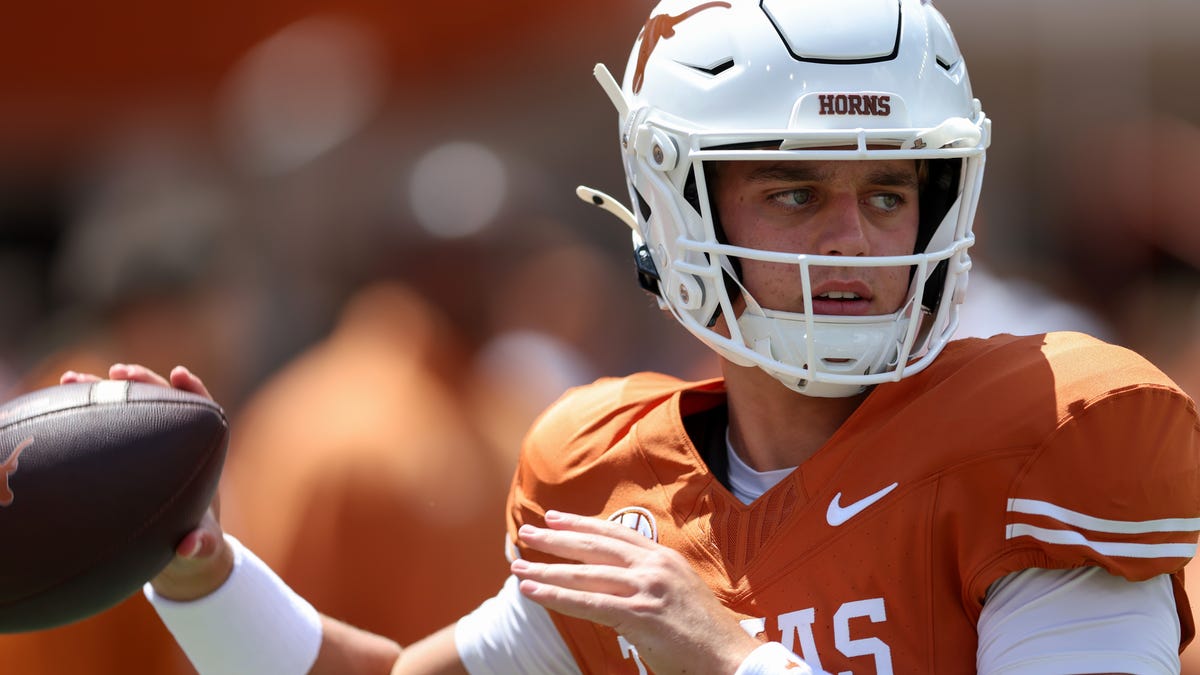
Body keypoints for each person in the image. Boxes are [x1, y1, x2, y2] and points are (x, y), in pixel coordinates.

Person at [63, 1, 1200, 673]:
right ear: (678, 207)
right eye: (796, 195)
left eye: (891, 193)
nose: (856, 241)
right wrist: (202, 571)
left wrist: (728, 656)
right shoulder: (613, 471)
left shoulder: (1054, 431)